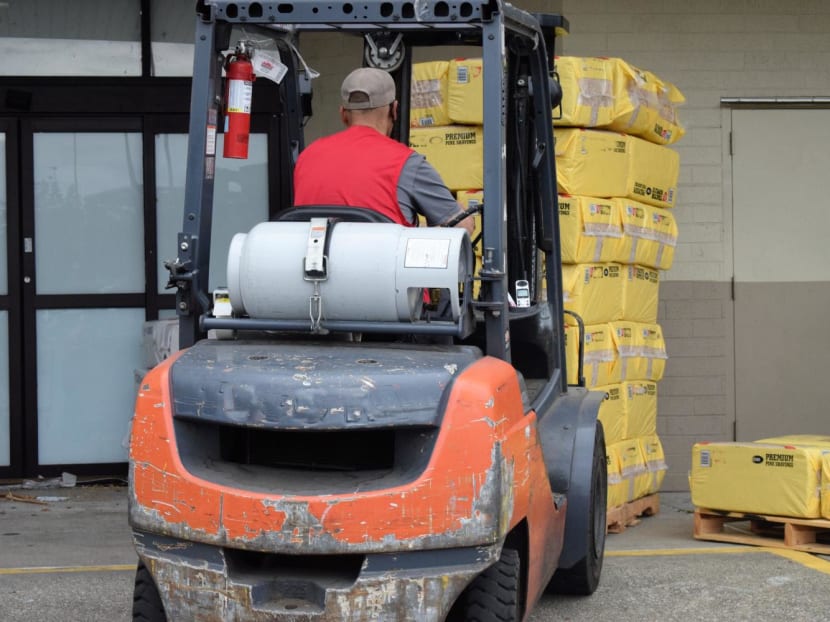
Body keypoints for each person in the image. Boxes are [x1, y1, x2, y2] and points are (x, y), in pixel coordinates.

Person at [293, 67, 475, 235]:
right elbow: (459, 227)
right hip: (378, 269)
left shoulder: (307, 156)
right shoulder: (406, 163)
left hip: (312, 267)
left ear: (343, 113)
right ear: (394, 110)